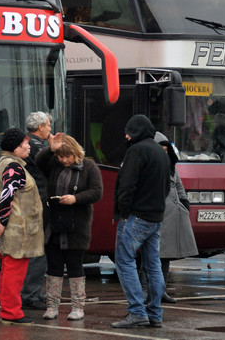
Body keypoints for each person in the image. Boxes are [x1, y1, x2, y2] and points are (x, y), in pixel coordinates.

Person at [111, 115, 170, 329]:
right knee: (153, 266)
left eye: (129, 131)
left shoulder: (136, 151)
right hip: (156, 217)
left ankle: (137, 311)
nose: (126, 136)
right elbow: (167, 186)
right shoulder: (161, 152)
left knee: (125, 261)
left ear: (136, 131)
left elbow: (127, 186)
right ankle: (155, 313)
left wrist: (124, 212)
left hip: (136, 217)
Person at [36, 133, 102, 321]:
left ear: (76, 153)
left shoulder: (89, 167)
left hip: (77, 227)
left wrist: (76, 198)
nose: (64, 160)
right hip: (53, 224)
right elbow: (39, 162)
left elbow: (97, 192)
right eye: (61, 156)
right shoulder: (53, 165)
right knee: (53, 266)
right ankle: (52, 306)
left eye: (68, 156)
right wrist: (51, 150)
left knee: (75, 266)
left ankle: (78, 307)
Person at [0, 127, 44, 325]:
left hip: (14, 226)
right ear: (15, 148)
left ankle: (4, 300)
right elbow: (7, 195)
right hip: (19, 228)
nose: (29, 147)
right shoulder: (14, 167)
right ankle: (11, 312)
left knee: (8, 267)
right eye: (25, 144)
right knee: (15, 270)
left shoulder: (2, 163)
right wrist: (3, 221)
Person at [154, 132, 197, 304]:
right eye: (161, 149)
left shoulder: (171, 165)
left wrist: (184, 203)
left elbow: (178, 185)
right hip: (155, 214)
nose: (164, 153)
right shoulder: (148, 164)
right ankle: (149, 291)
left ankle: (161, 291)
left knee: (166, 256)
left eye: (166, 150)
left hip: (171, 215)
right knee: (152, 256)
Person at [20, 112, 52, 310]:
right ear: (40, 127)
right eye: (48, 125)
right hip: (38, 204)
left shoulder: (31, 144)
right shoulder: (35, 146)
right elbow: (50, 167)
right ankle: (31, 294)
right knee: (38, 250)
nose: (50, 129)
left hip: (36, 203)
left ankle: (35, 292)